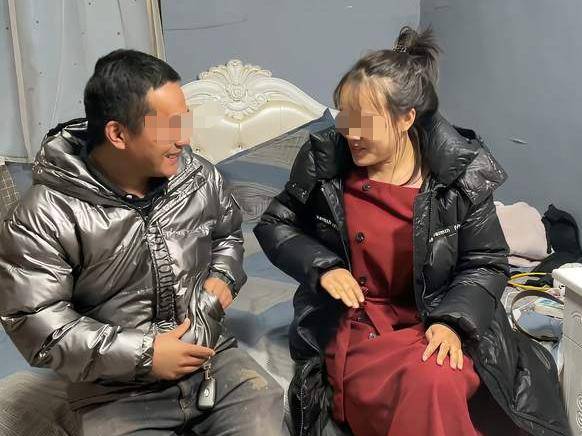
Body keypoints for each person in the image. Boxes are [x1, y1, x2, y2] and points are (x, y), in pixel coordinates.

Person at [254, 27, 568, 436]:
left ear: (406, 118)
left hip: (438, 317)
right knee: (433, 382)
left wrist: (453, 322)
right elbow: (274, 223)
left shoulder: (458, 173)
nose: (350, 133)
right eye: (344, 117)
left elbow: (485, 261)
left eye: (365, 122)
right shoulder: (325, 159)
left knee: (443, 377)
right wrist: (323, 267)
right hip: (362, 324)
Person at [0, 49, 284, 436]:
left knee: (266, 413)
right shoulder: (44, 214)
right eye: (168, 127)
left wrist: (222, 278)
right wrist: (147, 354)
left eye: (185, 120)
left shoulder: (199, 178)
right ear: (118, 134)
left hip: (211, 360)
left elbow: (227, 235)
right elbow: (37, 323)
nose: (184, 139)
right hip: (113, 389)